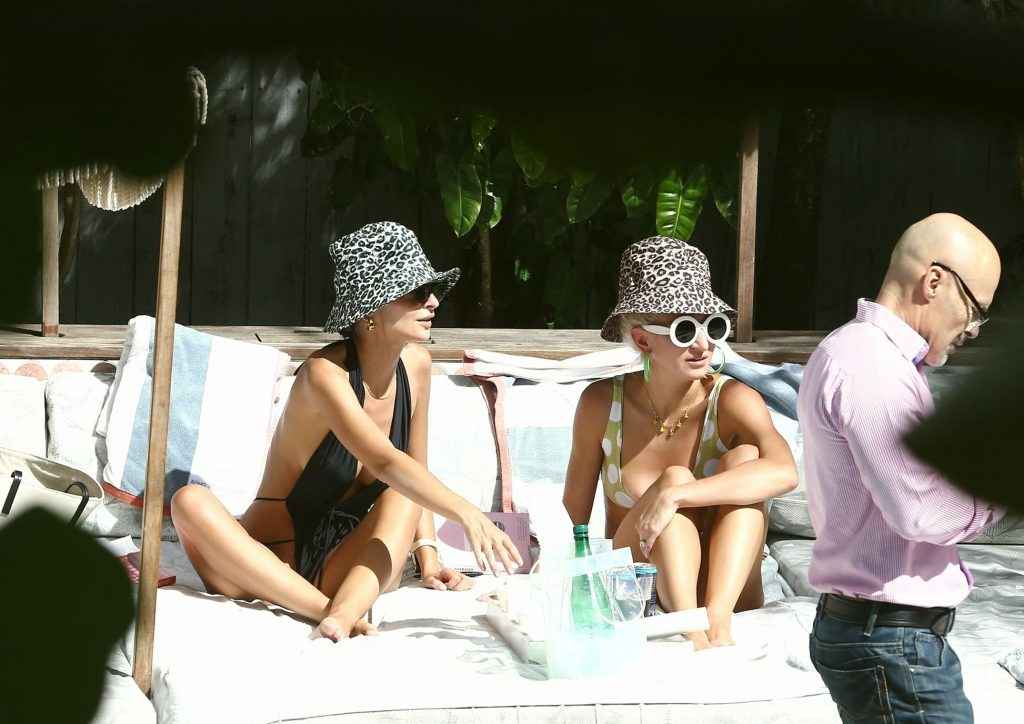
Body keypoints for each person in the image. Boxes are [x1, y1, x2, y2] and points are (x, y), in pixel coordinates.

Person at [171, 221, 522, 641]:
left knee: (405, 491)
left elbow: (415, 470)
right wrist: (467, 513)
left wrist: (428, 556)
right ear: (371, 310)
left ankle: (341, 614)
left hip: (341, 565)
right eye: (415, 292)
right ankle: (332, 613)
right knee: (188, 501)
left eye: (431, 290)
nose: (432, 302)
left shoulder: (417, 367)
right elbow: (384, 462)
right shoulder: (324, 375)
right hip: (268, 563)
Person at [798, 213, 1004, 722]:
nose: (973, 329)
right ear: (933, 281)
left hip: (887, 640)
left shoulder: (872, 358)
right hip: (891, 642)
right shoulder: (871, 365)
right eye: (975, 309)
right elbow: (923, 512)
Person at [562, 235, 797, 649]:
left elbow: (785, 472)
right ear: (642, 340)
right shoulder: (601, 403)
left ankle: (716, 625)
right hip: (643, 587)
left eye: (713, 326)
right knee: (673, 476)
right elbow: (575, 517)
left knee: (743, 459)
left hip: (727, 593)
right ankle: (693, 633)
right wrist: (668, 490)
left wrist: (677, 496)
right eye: (684, 329)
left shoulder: (732, 400)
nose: (703, 344)